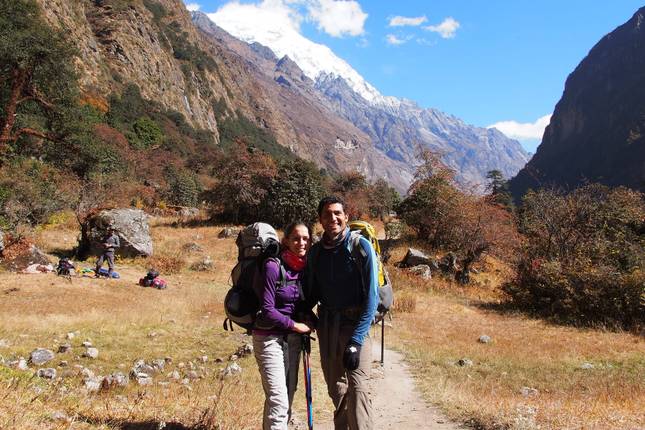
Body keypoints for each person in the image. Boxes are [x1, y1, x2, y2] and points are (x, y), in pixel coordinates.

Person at [306, 196, 379, 430]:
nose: (333, 218)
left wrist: (356, 341)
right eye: (327, 214)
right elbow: (311, 293)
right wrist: (303, 315)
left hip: (356, 326)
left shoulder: (360, 247)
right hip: (328, 326)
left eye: (337, 213)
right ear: (320, 220)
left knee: (358, 389)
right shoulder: (316, 253)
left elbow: (372, 298)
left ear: (346, 216)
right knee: (336, 389)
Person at [253, 222, 314, 430]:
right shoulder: (272, 266)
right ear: (286, 240)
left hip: (292, 339)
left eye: (306, 239)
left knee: (286, 395)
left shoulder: (303, 268)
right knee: (279, 400)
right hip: (268, 337)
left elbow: (300, 304)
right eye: (296, 238)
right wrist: (296, 325)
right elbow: (268, 310)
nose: (301, 243)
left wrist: (310, 319)